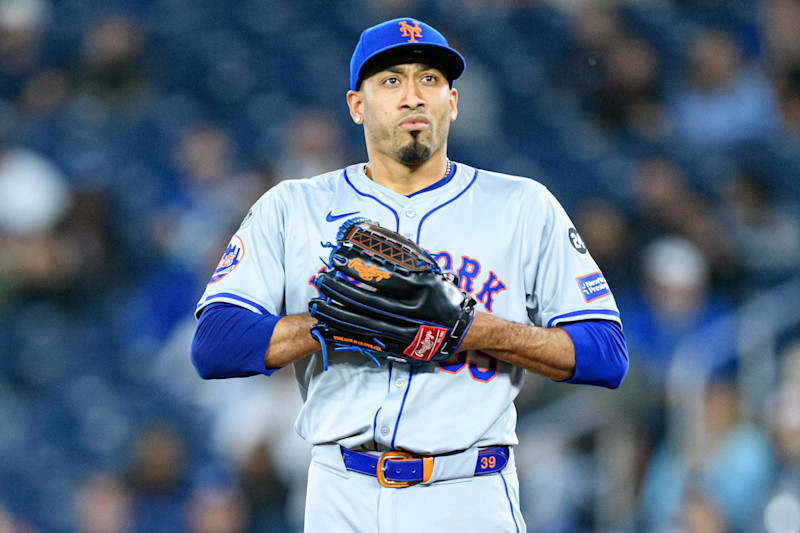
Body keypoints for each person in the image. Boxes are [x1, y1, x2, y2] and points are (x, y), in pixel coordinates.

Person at [191, 17, 628, 532]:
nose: (413, 96)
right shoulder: (294, 207)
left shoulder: (521, 205)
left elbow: (606, 354)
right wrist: (336, 324)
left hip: (467, 491)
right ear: (357, 105)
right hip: (340, 490)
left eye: (430, 79)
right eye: (391, 80)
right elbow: (213, 344)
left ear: (453, 102)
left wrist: (469, 328)